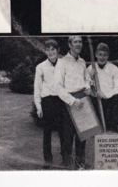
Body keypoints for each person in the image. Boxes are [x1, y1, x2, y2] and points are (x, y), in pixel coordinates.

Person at [55, 36, 91, 169]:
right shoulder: (62, 62)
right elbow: (58, 87)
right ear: (70, 45)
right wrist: (72, 100)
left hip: (82, 99)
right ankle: (67, 162)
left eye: (80, 42)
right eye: (75, 42)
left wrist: (87, 87)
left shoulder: (82, 61)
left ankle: (80, 162)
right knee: (67, 135)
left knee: (83, 134)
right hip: (68, 101)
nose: (78, 44)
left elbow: (86, 79)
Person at [33, 39, 64, 168]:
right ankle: (48, 159)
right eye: (48, 49)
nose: (50, 52)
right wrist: (39, 107)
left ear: (58, 50)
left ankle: (65, 157)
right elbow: (37, 88)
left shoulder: (64, 65)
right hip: (48, 101)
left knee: (63, 131)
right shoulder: (40, 67)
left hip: (62, 100)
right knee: (47, 132)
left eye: (53, 49)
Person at [87, 43, 118, 132]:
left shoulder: (114, 68)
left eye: (105, 55)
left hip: (110, 100)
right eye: (100, 54)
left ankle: (114, 125)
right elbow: (86, 85)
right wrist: (91, 78)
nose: (102, 57)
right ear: (96, 55)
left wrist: (106, 95)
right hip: (97, 100)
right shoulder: (91, 68)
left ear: (108, 56)